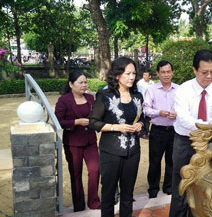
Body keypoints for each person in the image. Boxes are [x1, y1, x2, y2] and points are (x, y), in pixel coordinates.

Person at [169, 49, 212, 217]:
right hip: (185, 143)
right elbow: (184, 119)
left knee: (204, 186)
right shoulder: (183, 90)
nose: (208, 76)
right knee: (181, 184)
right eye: (204, 72)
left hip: (209, 146)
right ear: (194, 70)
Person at [89, 57, 145, 217]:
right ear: (117, 75)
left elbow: (142, 118)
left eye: (134, 73)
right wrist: (116, 127)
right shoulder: (105, 95)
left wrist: (140, 125)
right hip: (110, 153)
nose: (132, 77)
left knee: (128, 194)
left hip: (133, 152)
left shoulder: (137, 96)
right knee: (108, 194)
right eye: (128, 73)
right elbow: (93, 122)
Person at [55, 71, 101, 212]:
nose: (84, 85)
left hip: (90, 141)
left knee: (95, 169)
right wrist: (76, 122)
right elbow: (59, 121)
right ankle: (79, 205)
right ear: (71, 84)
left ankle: (93, 201)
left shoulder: (90, 98)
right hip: (73, 143)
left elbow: (97, 115)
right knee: (75, 174)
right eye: (80, 82)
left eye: (85, 82)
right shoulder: (64, 100)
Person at [143, 60, 178, 198]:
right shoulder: (151, 90)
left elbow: (185, 108)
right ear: (157, 73)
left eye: (168, 71)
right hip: (157, 131)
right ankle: (153, 188)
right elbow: (146, 109)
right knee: (155, 161)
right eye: (163, 72)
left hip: (174, 131)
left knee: (172, 160)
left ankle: (168, 186)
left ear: (172, 73)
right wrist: (159, 112)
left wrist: (178, 114)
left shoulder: (179, 89)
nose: (166, 75)